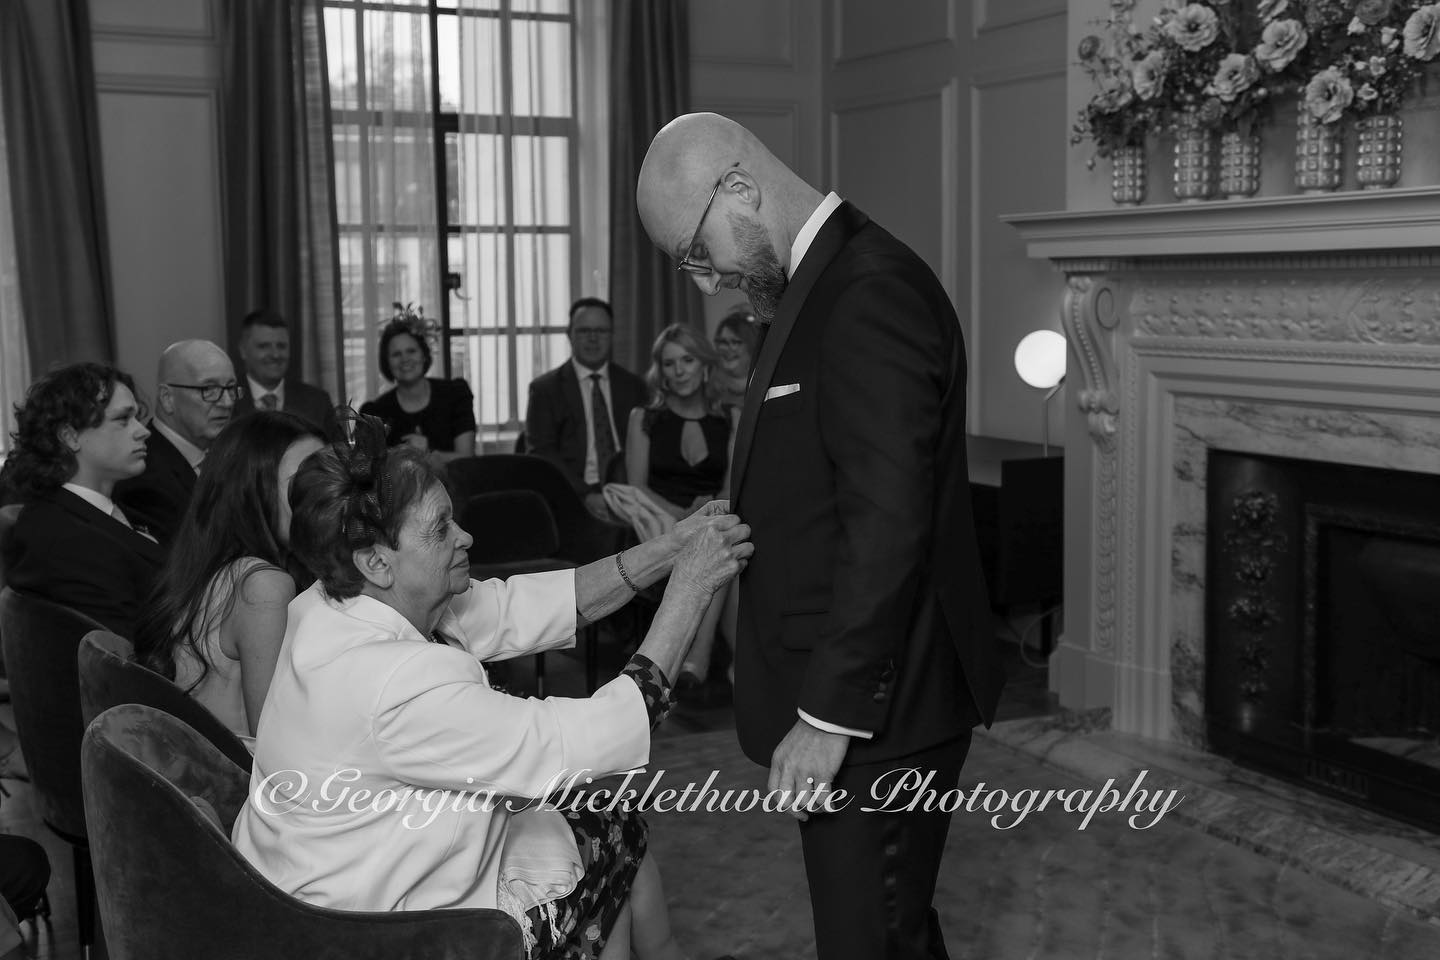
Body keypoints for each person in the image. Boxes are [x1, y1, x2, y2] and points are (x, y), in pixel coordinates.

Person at [637, 112, 1006, 960]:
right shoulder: (810, 287)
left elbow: (890, 520)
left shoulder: (869, 291)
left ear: (739, 188)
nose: (706, 283)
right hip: (854, 695)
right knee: (891, 933)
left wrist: (830, 714)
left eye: (696, 253)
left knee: (869, 940)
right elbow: (821, 483)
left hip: (880, 708)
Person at [231, 412, 750, 960]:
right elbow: (589, 738)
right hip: (364, 931)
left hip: (312, 887)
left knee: (608, 825)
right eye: (441, 529)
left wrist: (670, 548)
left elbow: (525, 605)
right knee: (603, 836)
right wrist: (692, 588)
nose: (466, 537)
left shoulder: (328, 602)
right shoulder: (397, 683)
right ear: (377, 561)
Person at [133, 411, 327, 745]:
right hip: (242, 773)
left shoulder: (211, 566)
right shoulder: (262, 586)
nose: (324, 494)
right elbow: (276, 743)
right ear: (251, 490)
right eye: (304, 481)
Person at [1, 362, 164, 640]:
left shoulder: (111, 508)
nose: (143, 430)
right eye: (123, 419)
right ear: (70, 436)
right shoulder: (64, 539)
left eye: (137, 417)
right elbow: (126, 653)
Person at [624, 324, 734, 696]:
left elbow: (731, 485)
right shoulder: (644, 417)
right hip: (661, 521)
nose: (679, 370)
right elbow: (637, 485)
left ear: (705, 365)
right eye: (670, 363)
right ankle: (706, 657)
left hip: (715, 515)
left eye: (688, 360)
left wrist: (709, 511)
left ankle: (701, 655)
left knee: (721, 535)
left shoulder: (730, 417)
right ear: (661, 372)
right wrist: (684, 515)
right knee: (720, 544)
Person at [525, 298, 649, 520]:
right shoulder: (545, 390)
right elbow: (542, 453)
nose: (593, 338)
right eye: (584, 331)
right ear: (569, 335)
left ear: (612, 335)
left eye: (601, 331)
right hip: (573, 496)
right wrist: (586, 495)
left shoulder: (634, 386)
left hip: (631, 492)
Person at [114, 339, 240, 547]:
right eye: (209, 389)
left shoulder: (232, 455)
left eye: (230, 388)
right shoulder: (140, 473)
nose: (226, 402)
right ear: (167, 398)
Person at [359, 312, 476, 463]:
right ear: (386, 362)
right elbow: (368, 470)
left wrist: (428, 453)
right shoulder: (374, 415)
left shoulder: (455, 395)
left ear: (424, 355)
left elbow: (466, 460)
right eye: (396, 354)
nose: (405, 359)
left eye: (411, 351)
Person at [229, 308, 338, 433]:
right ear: (243, 350)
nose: (275, 355)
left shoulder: (317, 402)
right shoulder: (228, 399)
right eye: (264, 346)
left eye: (281, 346)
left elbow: (337, 445)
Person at [711, 307, 760, 412]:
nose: (728, 348)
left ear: (751, 345)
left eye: (735, 342)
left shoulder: (762, 388)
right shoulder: (709, 387)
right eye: (723, 342)